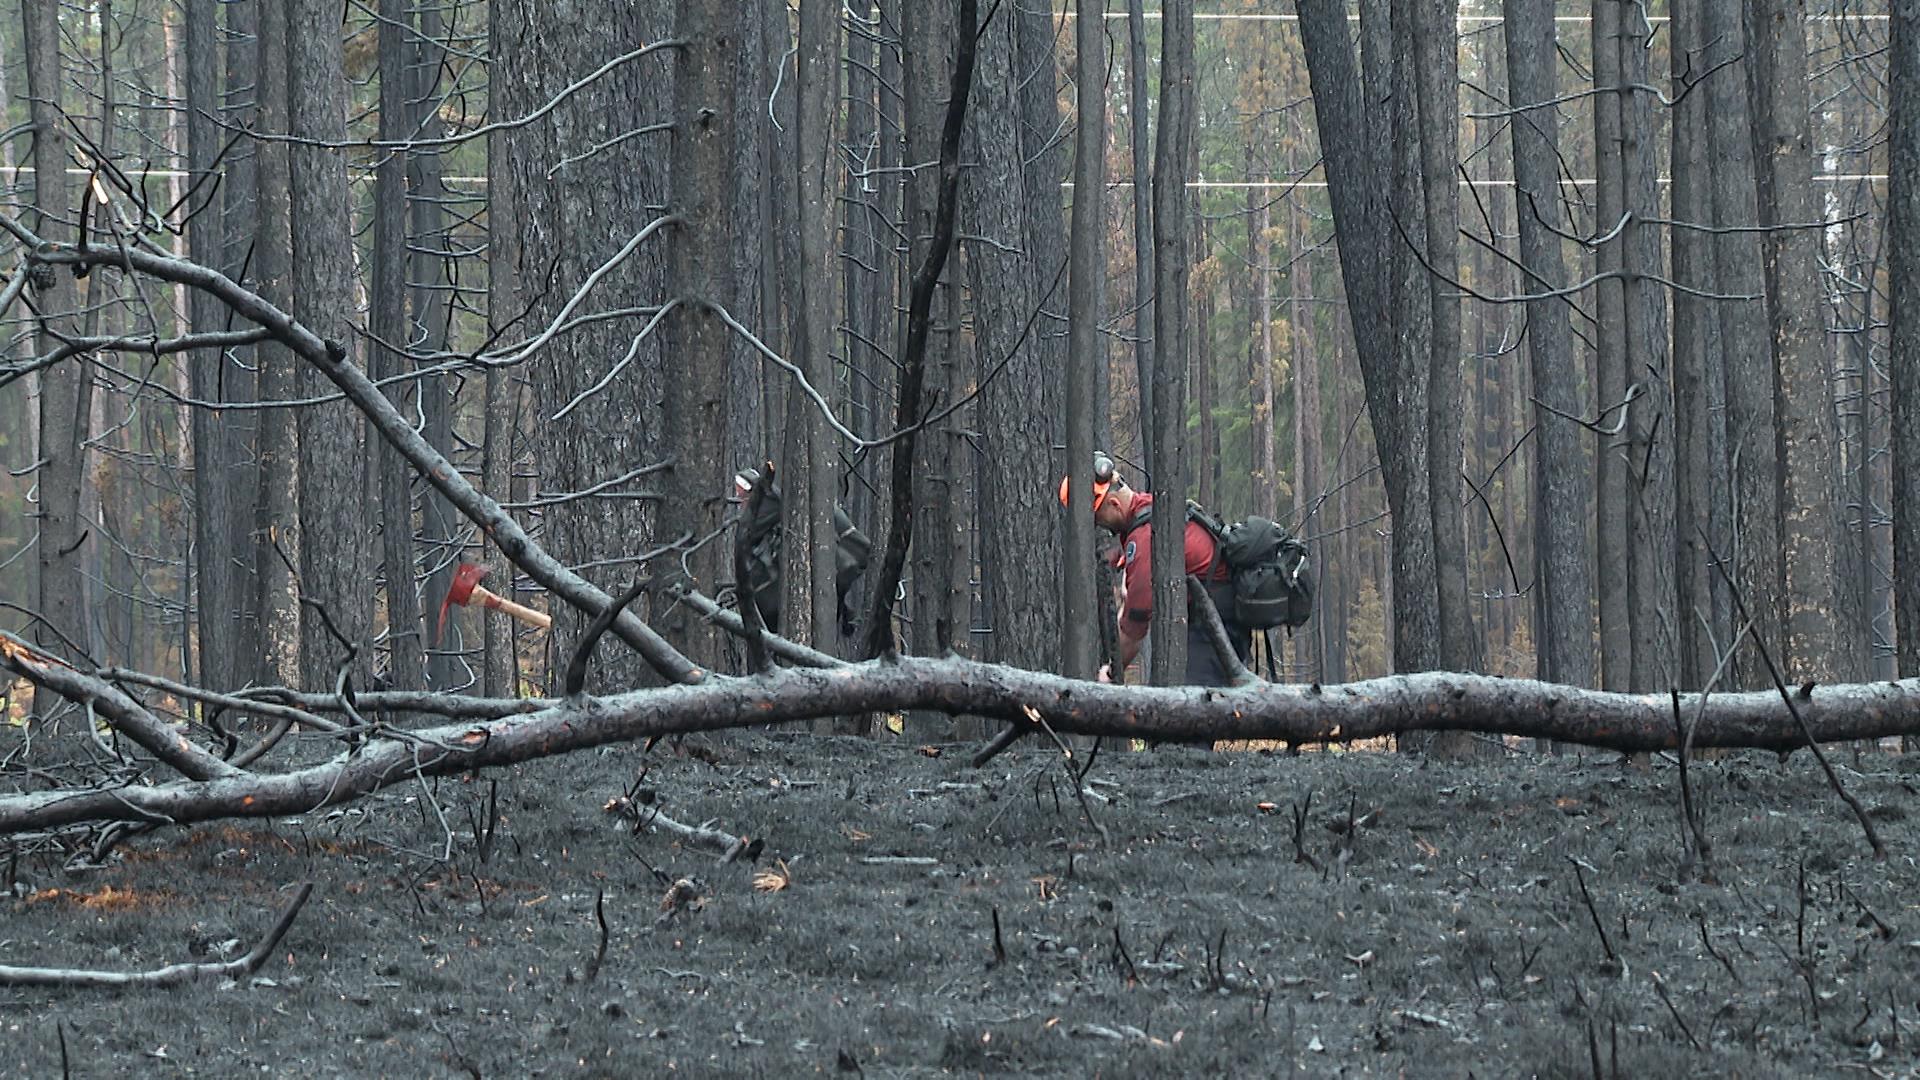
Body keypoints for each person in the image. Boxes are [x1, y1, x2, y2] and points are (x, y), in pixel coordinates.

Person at [1058, 453, 1252, 687]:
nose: (1099, 526)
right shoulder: (1150, 509)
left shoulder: (1145, 537)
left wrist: (1109, 673)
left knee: (1198, 704)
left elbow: (1134, 628)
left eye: (1098, 519)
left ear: (1114, 504)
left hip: (1214, 623)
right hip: (1210, 616)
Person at [730, 467, 872, 639]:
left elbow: (750, 533)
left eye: (741, 494)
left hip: (802, 582)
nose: (739, 500)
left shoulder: (768, 505)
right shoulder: (770, 507)